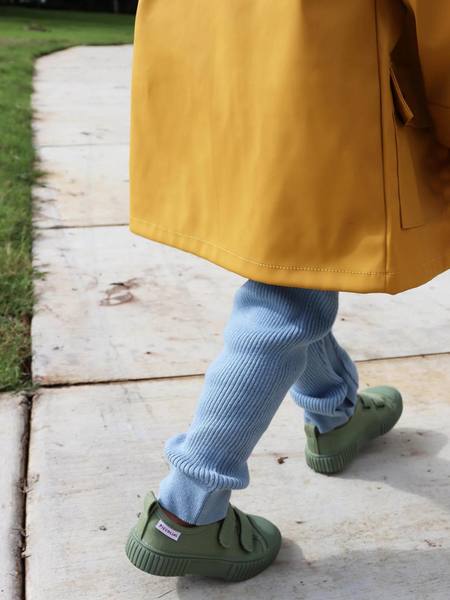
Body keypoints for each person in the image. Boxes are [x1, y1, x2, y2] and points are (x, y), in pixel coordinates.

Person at [125, 0, 450, 581]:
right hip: (322, 73)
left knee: (291, 263)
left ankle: (333, 413)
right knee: (288, 294)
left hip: (214, 65)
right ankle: (186, 510)